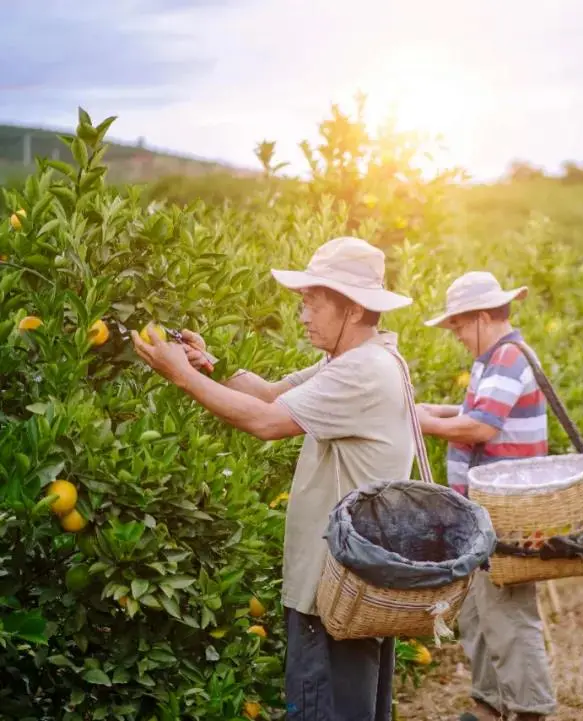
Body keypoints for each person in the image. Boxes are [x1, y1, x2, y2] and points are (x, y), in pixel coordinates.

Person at [132, 236, 416, 721]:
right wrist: (207, 365)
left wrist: (181, 377)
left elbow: (265, 424)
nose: (302, 315)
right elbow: (268, 396)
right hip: (353, 586)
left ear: (349, 308)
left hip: (336, 591)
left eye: (312, 303)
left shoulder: (363, 371)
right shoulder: (352, 362)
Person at [415, 271, 556, 721]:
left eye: (457, 323)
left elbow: (481, 427)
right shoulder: (492, 360)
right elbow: (477, 412)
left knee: (508, 616)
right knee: (477, 612)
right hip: (482, 511)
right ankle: (488, 705)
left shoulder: (508, 356)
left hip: (505, 512)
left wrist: (424, 424)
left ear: (479, 317)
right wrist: (434, 411)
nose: (454, 333)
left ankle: (530, 709)